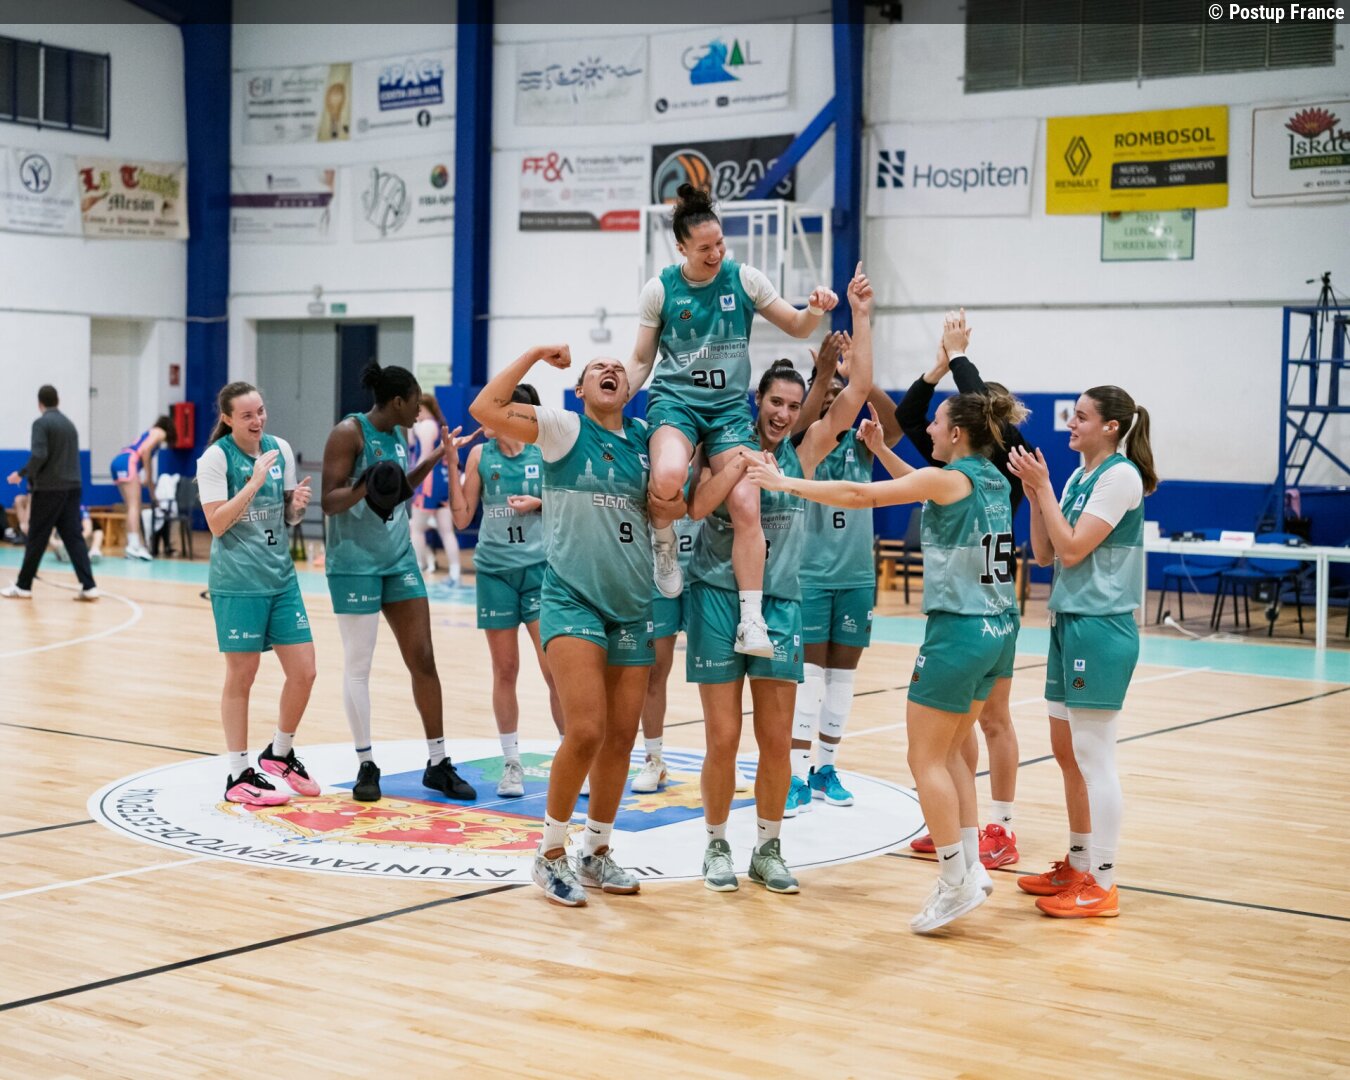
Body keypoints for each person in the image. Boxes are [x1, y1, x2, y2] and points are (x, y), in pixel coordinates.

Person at [748, 387, 1028, 933]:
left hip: (959, 632)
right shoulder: (991, 478)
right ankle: (970, 865)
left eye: (937, 422)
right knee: (952, 754)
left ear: (957, 433)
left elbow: (861, 494)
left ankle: (954, 882)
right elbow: (920, 486)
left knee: (925, 759)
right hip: (999, 631)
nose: (928, 429)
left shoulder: (951, 478)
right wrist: (881, 450)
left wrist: (785, 483)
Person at [469, 345, 685, 907]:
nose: (610, 370)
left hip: (632, 604)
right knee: (586, 730)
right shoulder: (564, 429)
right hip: (571, 600)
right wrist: (536, 355)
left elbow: (680, 496)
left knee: (620, 738)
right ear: (581, 389)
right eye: (597, 368)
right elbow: (485, 408)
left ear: (630, 389)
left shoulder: (647, 441)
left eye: (618, 368)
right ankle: (549, 854)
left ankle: (596, 851)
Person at [687, 264, 875, 896]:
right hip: (717, 598)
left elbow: (857, 389)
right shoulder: (725, 446)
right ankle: (716, 845)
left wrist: (861, 315)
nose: (783, 413)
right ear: (758, 400)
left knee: (774, 741)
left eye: (794, 406)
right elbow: (695, 507)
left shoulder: (804, 451)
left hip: (783, 604)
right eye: (775, 402)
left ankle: (767, 848)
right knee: (722, 738)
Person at [627, 183, 839, 659]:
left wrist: (815, 308)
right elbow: (641, 361)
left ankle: (751, 618)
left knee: (747, 503)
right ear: (681, 248)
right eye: (705, 248)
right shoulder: (660, 289)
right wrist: (617, 394)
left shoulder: (744, 279)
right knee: (668, 475)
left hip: (726, 410)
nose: (716, 253)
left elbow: (797, 325)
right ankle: (664, 541)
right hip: (677, 402)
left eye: (720, 243)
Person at [1007, 386, 1157, 920]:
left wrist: (1044, 487)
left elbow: (1073, 549)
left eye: (1082, 416)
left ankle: (1104, 882)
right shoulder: (1077, 478)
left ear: (1111, 427)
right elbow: (1045, 553)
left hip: (1100, 626)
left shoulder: (1120, 477)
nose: (1071, 423)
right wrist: (1034, 495)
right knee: (1067, 752)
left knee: (1094, 757)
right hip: (1067, 621)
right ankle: (1078, 863)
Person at [898, 310, 1033, 868]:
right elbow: (909, 417)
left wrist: (958, 356)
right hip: (983, 609)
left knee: (990, 721)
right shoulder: (957, 464)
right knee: (957, 733)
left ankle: (1001, 826)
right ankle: (960, 822)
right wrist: (937, 368)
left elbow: (974, 404)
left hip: (979, 608)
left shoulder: (1004, 460)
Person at [321, 360, 476, 805]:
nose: (419, 411)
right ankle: (366, 763)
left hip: (398, 558)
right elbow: (329, 501)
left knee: (423, 658)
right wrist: (365, 486)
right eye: (414, 403)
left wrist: (437, 456)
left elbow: (399, 489)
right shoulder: (348, 433)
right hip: (355, 562)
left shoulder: (398, 435)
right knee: (359, 665)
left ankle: (438, 763)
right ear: (396, 401)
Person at [785, 330, 902, 815]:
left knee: (841, 682)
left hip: (856, 577)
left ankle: (825, 769)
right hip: (809, 576)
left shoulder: (863, 443)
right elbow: (803, 423)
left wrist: (860, 379)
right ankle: (794, 776)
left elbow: (897, 424)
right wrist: (824, 378)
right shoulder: (802, 445)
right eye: (828, 394)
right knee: (809, 682)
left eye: (842, 395)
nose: (837, 399)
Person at [197, 381, 320, 806]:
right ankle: (237, 775)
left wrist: (297, 505)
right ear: (228, 419)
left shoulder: (279, 449)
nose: (257, 421)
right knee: (242, 677)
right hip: (238, 581)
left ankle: (279, 753)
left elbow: (287, 517)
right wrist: (253, 482)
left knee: (305, 671)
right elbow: (217, 523)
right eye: (247, 415)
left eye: (261, 411)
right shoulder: (216, 459)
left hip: (281, 578)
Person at [446, 382, 564, 799]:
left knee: (554, 672)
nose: (484, 419)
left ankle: (573, 760)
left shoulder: (545, 453)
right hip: (495, 573)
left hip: (538, 570)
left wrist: (539, 504)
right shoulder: (480, 455)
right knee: (505, 670)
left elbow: (570, 506)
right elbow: (461, 518)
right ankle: (512, 764)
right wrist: (451, 464)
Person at [3, 385, 99, 602]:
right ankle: (89, 586)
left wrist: (21, 474)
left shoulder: (41, 423)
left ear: (40, 403)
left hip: (49, 489)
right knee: (73, 537)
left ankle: (23, 586)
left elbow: (39, 454)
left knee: (36, 537)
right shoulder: (69, 425)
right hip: (73, 487)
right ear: (58, 400)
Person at [409, 393, 462, 586]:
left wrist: (412, 479)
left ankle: (419, 568)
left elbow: (424, 455)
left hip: (428, 482)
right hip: (444, 481)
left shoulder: (427, 426)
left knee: (416, 528)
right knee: (446, 531)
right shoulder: (438, 425)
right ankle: (455, 574)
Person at [110, 415, 175, 561]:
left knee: (131, 507)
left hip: (119, 461)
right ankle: (134, 546)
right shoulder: (160, 432)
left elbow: (145, 454)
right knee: (134, 506)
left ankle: (134, 544)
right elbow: (145, 451)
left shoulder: (149, 432)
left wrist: (152, 493)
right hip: (128, 461)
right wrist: (148, 475)